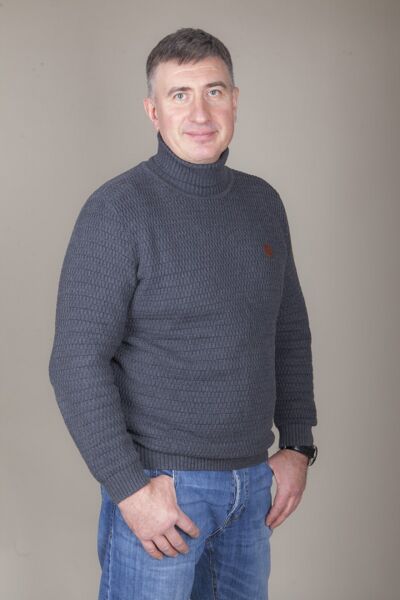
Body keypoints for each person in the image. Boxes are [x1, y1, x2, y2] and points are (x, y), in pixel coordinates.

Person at [48, 27, 318, 600]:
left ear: (235, 101)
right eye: (179, 95)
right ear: (153, 111)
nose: (200, 113)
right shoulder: (118, 210)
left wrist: (298, 445)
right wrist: (129, 489)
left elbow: (287, 330)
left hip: (252, 487)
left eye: (214, 92)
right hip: (162, 488)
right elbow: (76, 362)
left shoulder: (262, 203)